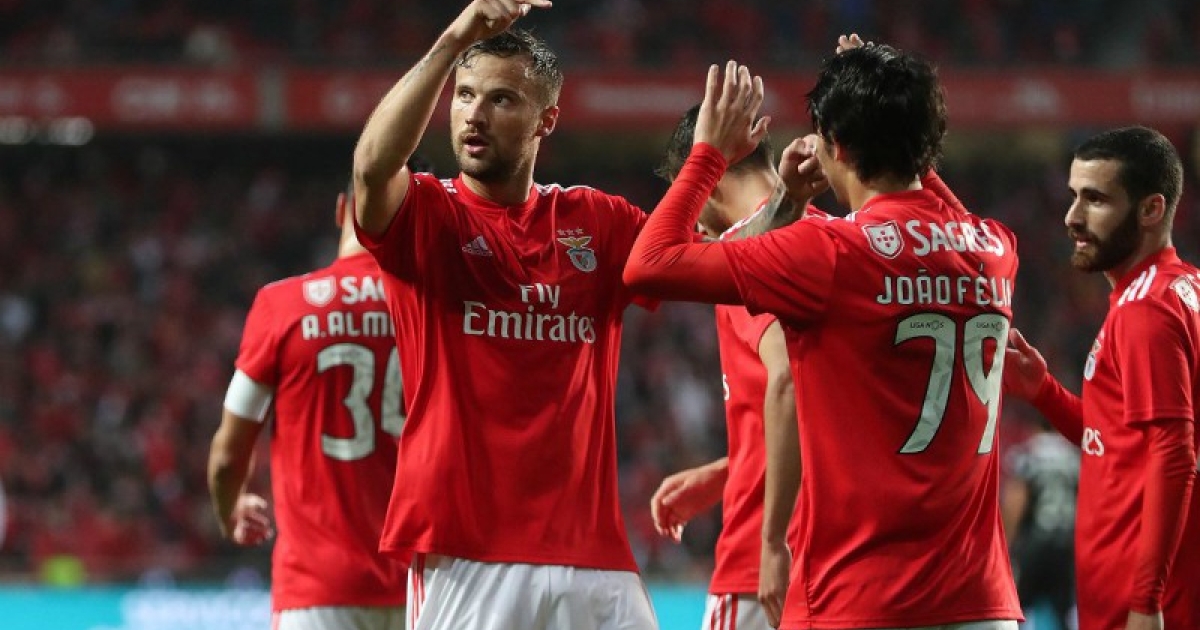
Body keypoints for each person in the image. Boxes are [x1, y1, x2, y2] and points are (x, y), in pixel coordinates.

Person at [624, 44, 1023, 630]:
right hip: (981, 602)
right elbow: (943, 217)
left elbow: (648, 266)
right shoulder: (995, 247)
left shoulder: (828, 253)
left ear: (835, 145)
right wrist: (893, 119)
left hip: (863, 596)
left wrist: (707, 153)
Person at [1003, 126, 1200, 630]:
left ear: (1151, 209)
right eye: (1073, 196)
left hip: (1140, 608)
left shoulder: (1146, 311)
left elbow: (1175, 454)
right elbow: (1116, 439)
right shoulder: (1179, 289)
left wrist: (1146, 601)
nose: (1072, 217)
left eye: (1095, 200)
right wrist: (1044, 392)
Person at [207, 172, 416, 629]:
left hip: (316, 591)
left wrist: (230, 510)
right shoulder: (434, 309)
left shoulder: (282, 305)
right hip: (423, 587)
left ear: (342, 209)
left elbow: (227, 456)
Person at [647, 104, 823, 630]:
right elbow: (825, 406)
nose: (695, 225)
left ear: (706, 182)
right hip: (834, 557)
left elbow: (787, 378)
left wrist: (771, 541)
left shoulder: (744, 254)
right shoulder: (830, 236)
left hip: (760, 570)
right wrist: (731, 470)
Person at [1000, 420, 1079, 630]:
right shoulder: (1073, 455)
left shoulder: (1028, 452)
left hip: (1035, 544)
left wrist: (1007, 545)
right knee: (1063, 613)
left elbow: (1017, 503)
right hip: (1067, 545)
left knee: (1017, 609)